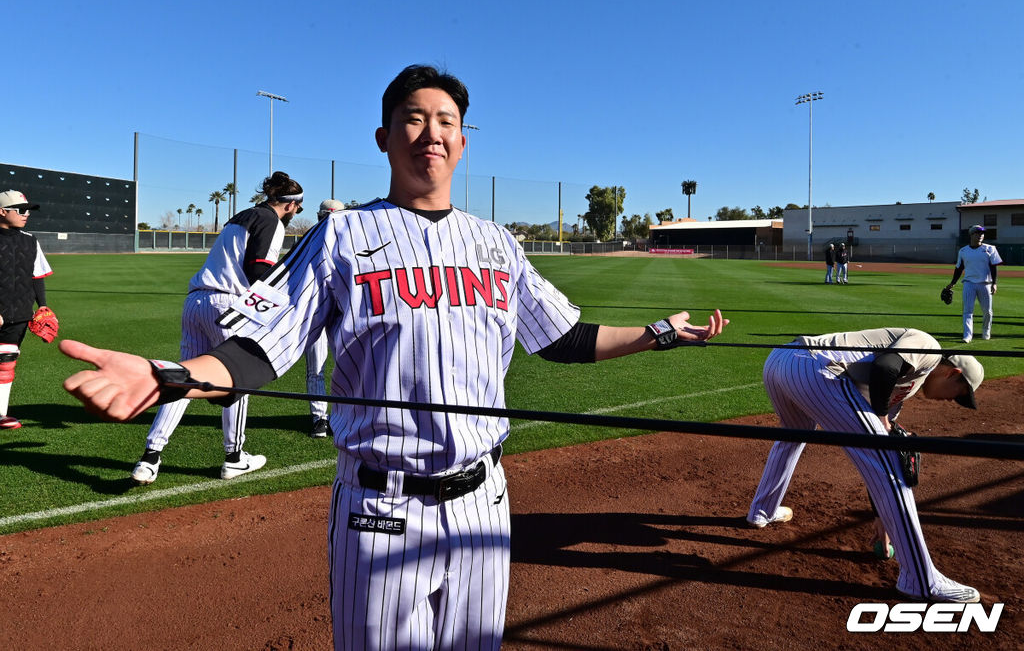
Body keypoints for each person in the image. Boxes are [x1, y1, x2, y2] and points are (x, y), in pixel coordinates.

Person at [60, 64, 728, 650]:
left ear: (463, 141)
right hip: (379, 512)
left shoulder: (498, 243)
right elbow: (261, 352)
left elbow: (565, 339)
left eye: (447, 121)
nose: (431, 132)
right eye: (413, 119)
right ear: (384, 137)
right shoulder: (341, 236)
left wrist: (659, 332)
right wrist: (169, 377)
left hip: (483, 505)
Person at [746, 327, 985, 603]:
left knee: (793, 434)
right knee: (891, 463)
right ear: (952, 373)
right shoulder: (928, 348)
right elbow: (885, 366)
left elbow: (878, 445)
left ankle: (762, 511)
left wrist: (881, 520)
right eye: (958, 394)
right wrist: (882, 416)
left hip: (781, 362)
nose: (952, 401)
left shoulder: (903, 388)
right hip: (815, 367)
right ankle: (921, 580)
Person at [127, 172, 304, 484]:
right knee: (238, 378)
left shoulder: (242, 215)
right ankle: (234, 457)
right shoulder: (271, 221)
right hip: (226, 305)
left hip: (196, 301)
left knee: (184, 380)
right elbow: (259, 269)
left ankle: (149, 458)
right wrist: (284, 296)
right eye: (297, 209)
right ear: (291, 206)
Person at [0, 190, 54, 430]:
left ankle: (1, 414)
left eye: (28, 210)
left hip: (20, 312)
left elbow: (36, 276)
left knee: (6, 361)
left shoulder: (30, 240)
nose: (26, 214)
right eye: (21, 210)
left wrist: (42, 305)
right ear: (2, 211)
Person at [305, 198, 346, 438]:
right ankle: (320, 418)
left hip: (343, 312)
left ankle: (345, 414)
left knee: (350, 365)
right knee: (316, 368)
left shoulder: (352, 242)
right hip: (316, 311)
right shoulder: (308, 242)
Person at [944, 224, 1001, 343]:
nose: (980, 235)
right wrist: (952, 283)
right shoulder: (963, 251)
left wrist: (994, 283)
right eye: (977, 233)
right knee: (967, 311)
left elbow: (993, 267)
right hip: (969, 283)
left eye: (982, 233)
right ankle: (967, 335)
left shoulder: (990, 249)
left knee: (987, 311)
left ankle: (986, 332)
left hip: (985, 284)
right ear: (971, 234)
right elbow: (959, 268)